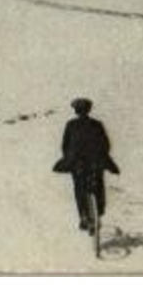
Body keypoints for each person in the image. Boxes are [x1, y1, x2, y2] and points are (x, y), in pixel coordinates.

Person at [54, 97, 119, 233]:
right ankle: (98, 212)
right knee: (98, 185)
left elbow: (65, 146)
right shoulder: (97, 124)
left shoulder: (71, 125)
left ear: (76, 111)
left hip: (78, 163)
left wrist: (69, 158)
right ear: (89, 110)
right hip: (95, 161)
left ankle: (84, 216)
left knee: (79, 187)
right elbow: (106, 144)